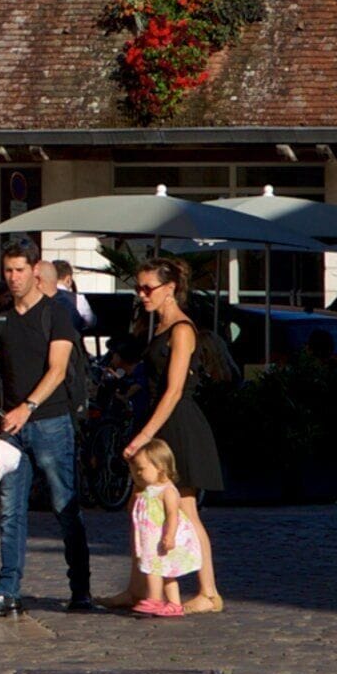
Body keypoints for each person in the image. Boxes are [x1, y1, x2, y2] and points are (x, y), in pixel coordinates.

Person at [0, 243, 89, 618]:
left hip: (49, 421)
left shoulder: (56, 313)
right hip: (10, 426)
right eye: (8, 271)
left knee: (64, 505)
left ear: (35, 270)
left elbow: (58, 369)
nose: (13, 278)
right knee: (11, 511)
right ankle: (7, 590)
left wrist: (27, 406)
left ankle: (80, 589)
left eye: (20, 270)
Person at [117, 260, 230, 613]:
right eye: (138, 288)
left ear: (169, 289)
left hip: (178, 425)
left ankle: (209, 592)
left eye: (148, 288)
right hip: (159, 421)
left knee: (184, 508)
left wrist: (143, 437)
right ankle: (138, 588)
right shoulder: (159, 326)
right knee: (141, 505)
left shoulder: (181, 329)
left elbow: (175, 390)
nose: (142, 294)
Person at [122, 440, 209, 617]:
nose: (137, 474)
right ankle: (174, 604)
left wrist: (169, 535)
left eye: (141, 469)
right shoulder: (148, 490)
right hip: (150, 539)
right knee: (166, 573)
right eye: (135, 470)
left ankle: (154, 599)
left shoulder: (167, 491)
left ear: (160, 467)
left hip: (160, 538)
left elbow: (172, 515)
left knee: (154, 569)